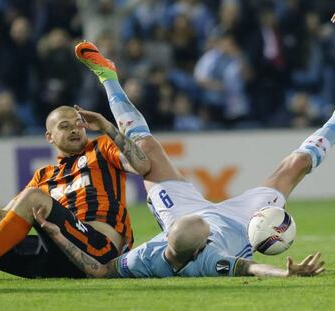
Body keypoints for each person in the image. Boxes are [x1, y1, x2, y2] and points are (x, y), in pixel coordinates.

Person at [33, 41, 328, 278]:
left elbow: (98, 270)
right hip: (242, 222)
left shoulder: (149, 258)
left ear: (169, 236)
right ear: (202, 245)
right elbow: (254, 268)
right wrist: (286, 274)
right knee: (295, 166)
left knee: (146, 147)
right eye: (202, 229)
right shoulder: (211, 261)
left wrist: (57, 235)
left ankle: (108, 77)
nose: (204, 224)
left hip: (178, 209)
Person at [0, 102, 151, 283]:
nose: (74, 129)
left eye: (79, 123)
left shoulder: (102, 148)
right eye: (64, 125)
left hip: (99, 250)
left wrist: (107, 127)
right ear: (49, 137)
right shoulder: (43, 176)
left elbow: (142, 165)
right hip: (59, 254)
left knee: (33, 196)